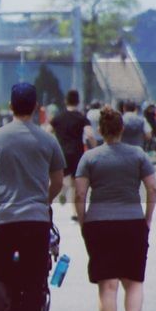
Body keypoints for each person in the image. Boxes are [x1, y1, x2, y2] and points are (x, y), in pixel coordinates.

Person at [0, 82, 65, 311]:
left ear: (10, 106)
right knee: (34, 276)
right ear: (37, 108)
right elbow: (58, 181)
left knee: (0, 272)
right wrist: (44, 200)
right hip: (35, 219)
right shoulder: (48, 141)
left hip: (3, 218)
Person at [74, 106, 156, 311]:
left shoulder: (90, 158)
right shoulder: (138, 155)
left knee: (107, 286)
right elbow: (152, 189)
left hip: (100, 224)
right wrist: (146, 220)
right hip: (132, 221)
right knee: (133, 281)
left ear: (100, 131)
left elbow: (79, 194)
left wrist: (83, 222)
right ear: (121, 129)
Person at [50, 89, 95, 221]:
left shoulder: (58, 118)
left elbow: (47, 132)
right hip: (77, 153)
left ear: (65, 101)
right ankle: (75, 212)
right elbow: (90, 134)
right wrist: (95, 148)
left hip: (61, 153)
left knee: (61, 178)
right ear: (78, 101)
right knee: (76, 184)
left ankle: (63, 190)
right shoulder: (82, 118)